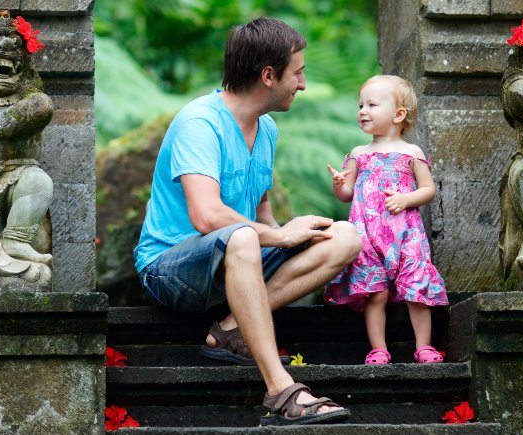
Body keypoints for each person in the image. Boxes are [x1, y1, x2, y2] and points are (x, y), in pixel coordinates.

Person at [133, 17, 360, 426]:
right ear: (269, 75)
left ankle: (230, 327)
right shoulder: (199, 123)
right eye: (299, 73)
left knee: (342, 236)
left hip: (238, 259)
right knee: (239, 237)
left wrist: (293, 232)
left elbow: (261, 213)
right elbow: (206, 216)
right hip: (170, 271)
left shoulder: (266, 128)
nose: (303, 84)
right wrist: (278, 236)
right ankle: (279, 390)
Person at [324, 75, 448, 365]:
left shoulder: (411, 153)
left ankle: (424, 346)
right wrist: (340, 184)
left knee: (416, 288)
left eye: (371, 105)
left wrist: (406, 199)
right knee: (374, 292)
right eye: (360, 105)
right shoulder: (359, 154)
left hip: (405, 233)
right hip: (366, 234)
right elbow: (347, 194)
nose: (362, 111)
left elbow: (428, 189)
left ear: (398, 114)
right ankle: (378, 348)